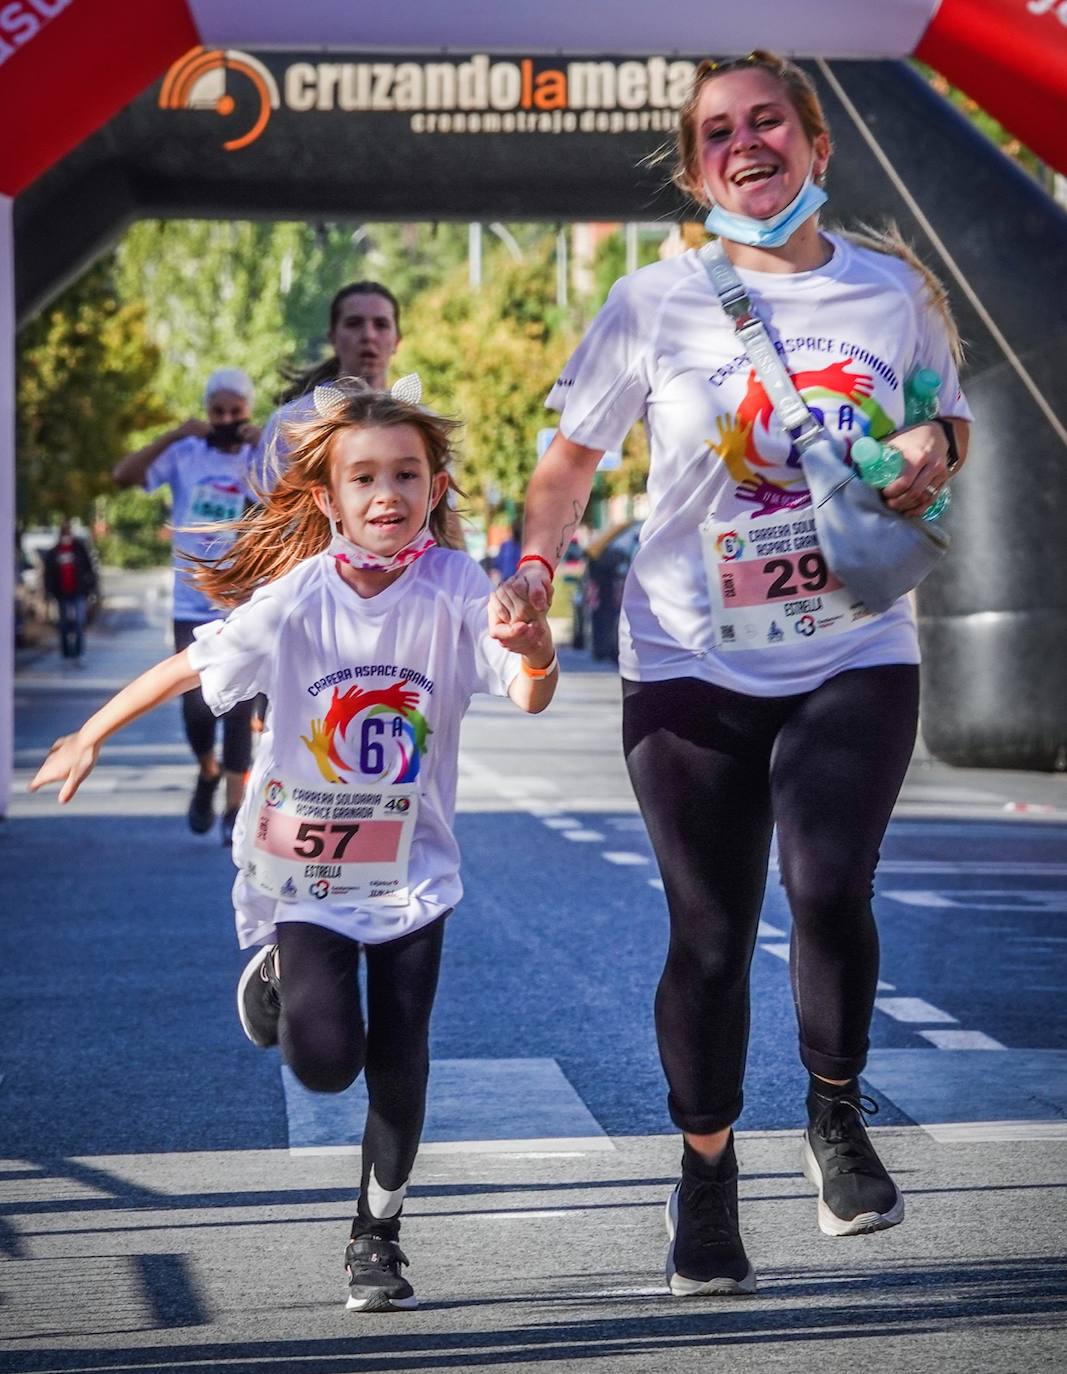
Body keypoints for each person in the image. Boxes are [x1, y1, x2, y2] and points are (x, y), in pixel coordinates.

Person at [491, 50, 971, 1296]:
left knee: (825, 882)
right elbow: (565, 466)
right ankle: (704, 1178)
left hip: (850, 644)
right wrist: (534, 572)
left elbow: (942, 416)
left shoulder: (891, 292)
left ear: (815, 145)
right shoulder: (651, 302)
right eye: (716, 132)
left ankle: (830, 1111)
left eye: (768, 122)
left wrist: (928, 441)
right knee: (706, 936)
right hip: (687, 657)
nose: (744, 144)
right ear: (693, 163)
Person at [33, 379, 558, 1312]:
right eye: (364, 477)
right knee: (323, 1063)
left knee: (404, 1054)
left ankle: (376, 1238)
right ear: (327, 498)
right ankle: (277, 973)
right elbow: (188, 664)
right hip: (308, 874)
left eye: (407, 473)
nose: (386, 492)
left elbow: (522, 690)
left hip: (416, 870)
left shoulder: (455, 587)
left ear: (435, 486)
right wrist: (90, 734)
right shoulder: (293, 598)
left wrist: (538, 649)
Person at [113, 369, 262, 844]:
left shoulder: (263, 456)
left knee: (239, 709)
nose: (224, 420)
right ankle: (207, 771)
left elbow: (309, 492)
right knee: (197, 712)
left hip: (248, 603)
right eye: (216, 411)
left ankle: (234, 810)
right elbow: (124, 475)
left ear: (247, 413)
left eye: (234, 412)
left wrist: (272, 444)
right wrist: (176, 433)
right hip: (192, 603)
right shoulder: (185, 455)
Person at [42, 519, 97, 665]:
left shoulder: (79, 549)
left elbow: (89, 570)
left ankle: (78, 653)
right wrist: (48, 592)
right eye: (64, 533)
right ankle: (66, 654)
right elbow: (48, 574)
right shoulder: (54, 552)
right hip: (62, 594)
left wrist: (91, 589)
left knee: (79, 623)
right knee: (64, 625)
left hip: (78, 592)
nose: (66, 536)